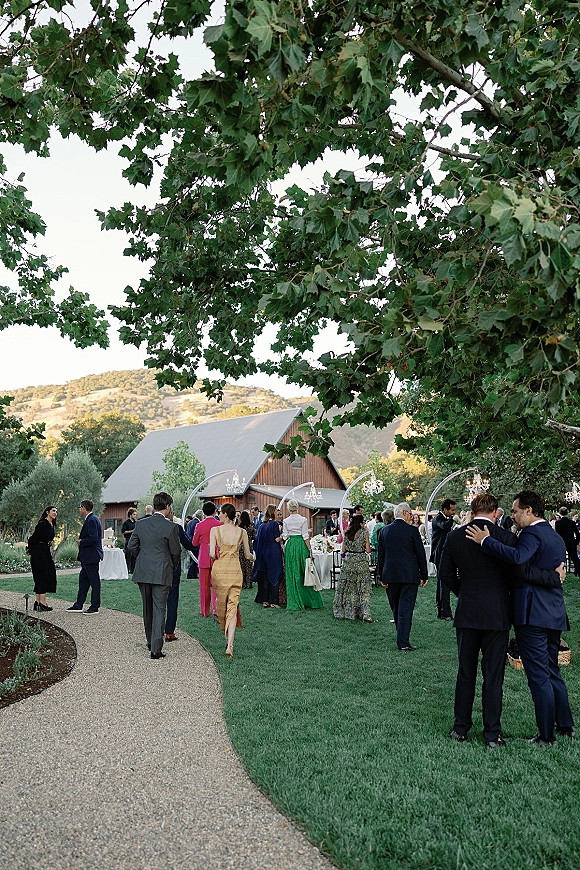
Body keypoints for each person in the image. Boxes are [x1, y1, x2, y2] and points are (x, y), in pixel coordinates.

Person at [439, 493, 564, 747]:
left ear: (473, 511)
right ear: (496, 512)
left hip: (467, 612)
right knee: (493, 675)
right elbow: (518, 574)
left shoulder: (454, 537)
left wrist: (464, 593)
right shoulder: (507, 538)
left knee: (465, 672)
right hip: (497, 614)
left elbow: (446, 574)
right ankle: (492, 734)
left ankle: (460, 728)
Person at [128, 491, 181, 659]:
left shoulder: (141, 524)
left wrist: (142, 558)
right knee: (159, 608)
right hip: (162, 571)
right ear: (167, 507)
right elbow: (176, 552)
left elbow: (131, 546)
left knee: (147, 607)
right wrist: (172, 566)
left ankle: (150, 641)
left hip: (143, 571)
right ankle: (156, 649)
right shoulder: (171, 527)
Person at [377, 502, 428, 651]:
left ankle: (402, 638)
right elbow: (420, 554)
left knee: (397, 607)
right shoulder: (412, 531)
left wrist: (382, 576)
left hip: (391, 574)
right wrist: (424, 574)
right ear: (405, 513)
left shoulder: (384, 531)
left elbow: (381, 556)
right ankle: (403, 642)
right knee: (406, 608)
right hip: (409, 574)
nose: (411, 517)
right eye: (411, 514)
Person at [210, 502, 254, 658]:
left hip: (220, 570)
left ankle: (226, 636)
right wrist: (254, 558)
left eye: (220, 512)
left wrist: (219, 557)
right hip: (235, 570)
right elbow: (248, 556)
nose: (218, 515)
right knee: (233, 606)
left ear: (226, 514)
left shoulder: (214, 530)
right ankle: (230, 644)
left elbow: (212, 554)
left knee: (221, 605)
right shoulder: (241, 532)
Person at [283, 499, 323, 611]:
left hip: (291, 546)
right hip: (301, 545)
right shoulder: (303, 519)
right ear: (297, 507)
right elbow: (306, 536)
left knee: (292, 572)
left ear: (288, 508)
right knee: (305, 572)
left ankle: (294, 600)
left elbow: (285, 536)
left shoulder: (286, 521)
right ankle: (310, 600)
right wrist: (310, 549)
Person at [67, 500, 103, 614]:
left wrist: (81, 542)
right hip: (87, 557)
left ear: (83, 508)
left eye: (80, 507)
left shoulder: (92, 520)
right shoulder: (92, 519)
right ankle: (78, 604)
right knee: (83, 581)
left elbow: (93, 538)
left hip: (91, 556)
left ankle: (94, 606)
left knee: (94, 582)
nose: (79, 510)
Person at [333, 514, 372, 621]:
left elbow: (343, 550)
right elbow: (368, 550)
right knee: (363, 589)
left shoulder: (346, 533)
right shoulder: (364, 533)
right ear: (360, 523)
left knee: (348, 588)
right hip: (360, 562)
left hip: (348, 562)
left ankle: (348, 611)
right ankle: (364, 613)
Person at [164, 515, 195, 642]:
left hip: (156, 569)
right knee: (172, 600)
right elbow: (188, 544)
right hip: (172, 567)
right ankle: (169, 632)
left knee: (156, 601)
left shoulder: (149, 526)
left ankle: (156, 630)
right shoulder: (176, 528)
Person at [192, 501, 222, 617]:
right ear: (215, 511)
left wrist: (202, 542)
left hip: (204, 556)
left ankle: (205, 611)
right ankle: (216, 610)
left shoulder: (199, 525)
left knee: (204, 586)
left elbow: (194, 543)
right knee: (216, 585)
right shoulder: (220, 524)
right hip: (216, 556)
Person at [252, 504, 284, 607]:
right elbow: (276, 539)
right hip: (273, 553)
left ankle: (265, 600)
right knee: (274, 575)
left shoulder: (262, 525)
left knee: (265, 577)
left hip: (263, 554)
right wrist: (282, 536)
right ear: (272, 512)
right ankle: (274, 601)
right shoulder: (274, 524)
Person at [430, 498, 456, 620]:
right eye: (451, 510)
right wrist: (452, 519)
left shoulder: (442, 518)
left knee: (442, 583)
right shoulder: (438, 519)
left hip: (442, 554)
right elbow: (445, 526)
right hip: (440, 554)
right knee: (444, 583)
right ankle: (445, 612)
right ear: (444, 510)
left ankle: (442, 610)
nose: (453, 513)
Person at [28, 506, 58, 612]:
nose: (55, 513)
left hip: (45, 551)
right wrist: (30, 549)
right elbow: (34, 538)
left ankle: (38, 603)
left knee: (46, 574)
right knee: (42, 575)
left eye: (56, 511)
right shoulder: (43, 524)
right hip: (39, 552)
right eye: (53, 511)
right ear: (47, 512)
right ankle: (42, 603)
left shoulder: (51, 525)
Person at [555, 506, 580, 576]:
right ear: (567, 513)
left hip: (562, 544)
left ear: (560, 513)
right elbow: (577, 534)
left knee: (561, 560)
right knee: (575, 560)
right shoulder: (571, 522)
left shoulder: (558, 523)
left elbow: (557, 535)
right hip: (571, 543)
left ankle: (559, 573)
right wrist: (576, 543)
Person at [238, 509, 256, 588]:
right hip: (248, 545)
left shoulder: (239, 526)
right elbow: (254, 536)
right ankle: (249, 583)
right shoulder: (251, 525)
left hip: (240, 546)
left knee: (241, 565)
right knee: (248, 565)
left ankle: (242, 583)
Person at [185, 509, 203, 579]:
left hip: (189, 542)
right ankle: (190, 574)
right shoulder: (197, 523)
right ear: (201, 516)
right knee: (195, 559)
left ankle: (193, 574)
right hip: (195, 544)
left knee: (192, 559)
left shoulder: (190, 522)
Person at [121, 507, 138, 573]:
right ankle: (127, 570)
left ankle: (133, 570)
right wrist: (132, 531)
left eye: (136, 514)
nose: (135, 516)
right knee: (128, 556)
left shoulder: (136, 522)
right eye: (134, 514)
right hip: (128, 540)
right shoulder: (126, 523)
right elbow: (123, 531)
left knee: (134, 557)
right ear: (130, 515)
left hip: (135, 541)